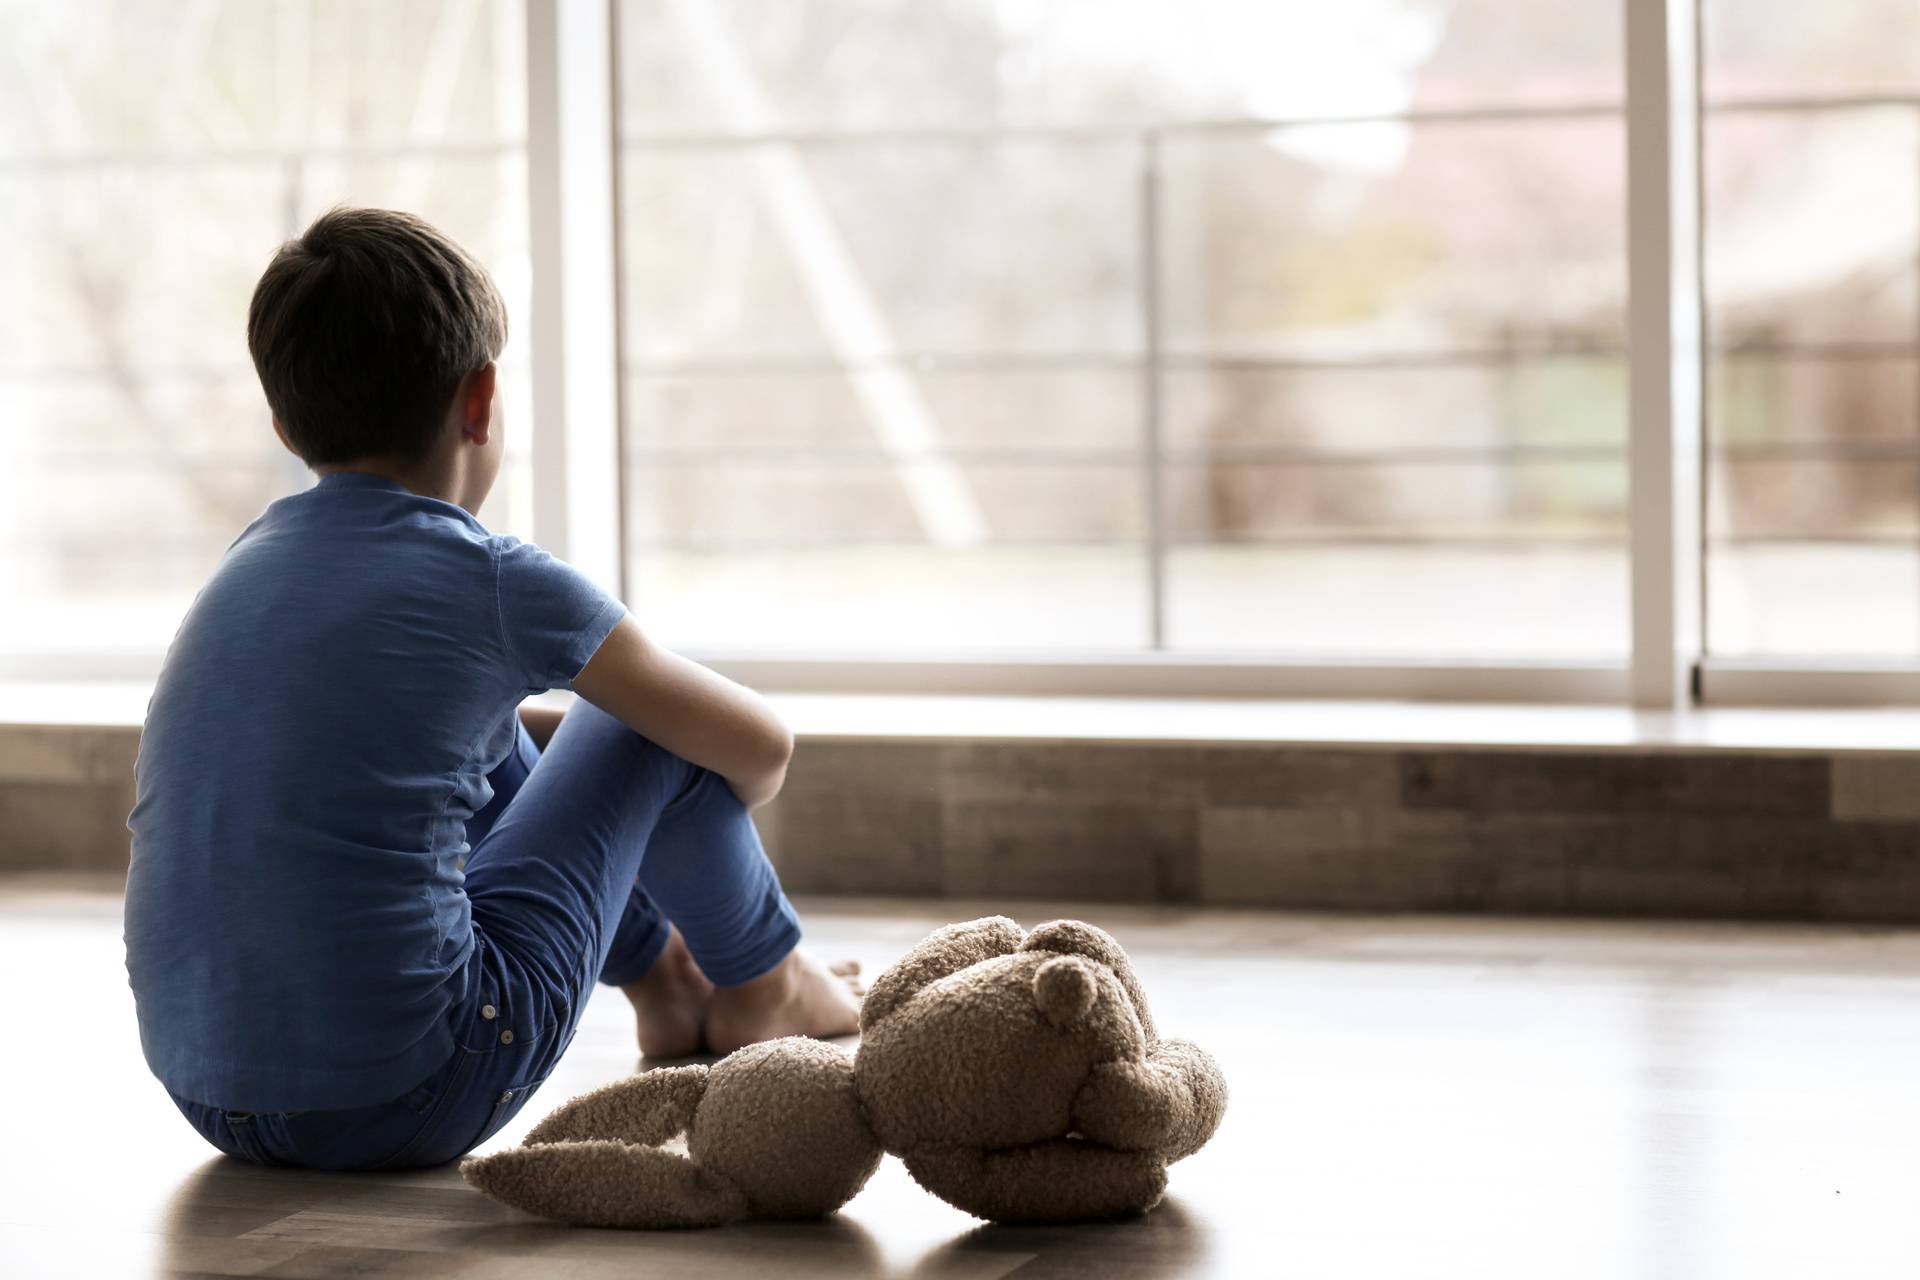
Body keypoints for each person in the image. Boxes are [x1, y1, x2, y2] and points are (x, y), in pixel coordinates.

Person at [123, 206, 861, 1171]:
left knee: (479, 728)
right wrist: (697, 803)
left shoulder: (247, 560)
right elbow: (759, 748)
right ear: (481, 401)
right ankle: (766, 983)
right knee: (644, 725)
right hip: (410, 1088)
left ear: (284, 421)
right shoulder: (494, 578)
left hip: (209, 1091)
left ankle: (666, 983)